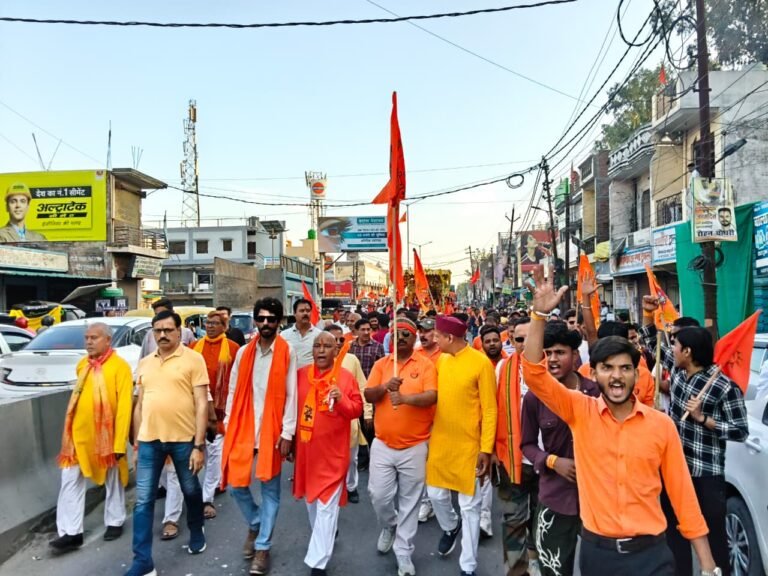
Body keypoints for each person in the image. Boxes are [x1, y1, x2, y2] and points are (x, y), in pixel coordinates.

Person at [522, 265, 720, 576]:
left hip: (653, 555)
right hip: (597, 555)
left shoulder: (661, 425)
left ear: (635, 373)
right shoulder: (579, 411)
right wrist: (538, 316)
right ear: (593, 372)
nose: (616, 376)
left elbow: (683, 497)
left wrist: (708, 565)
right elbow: (534, 375)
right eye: (607, 368)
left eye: (625, 368)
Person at [640, 297, 748, 576]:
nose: (672, 347)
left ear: (687, 351)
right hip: (675, 471)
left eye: (676, 344)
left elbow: (740, 430)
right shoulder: (677, 372)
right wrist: (649, 316)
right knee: (675, 535)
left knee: (713, 540)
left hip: (706, 475)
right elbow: (654, 348)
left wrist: (704, 419)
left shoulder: (724, 386)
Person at [126, 310, 210, 576]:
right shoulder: (146, 363)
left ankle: (196, 529)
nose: (162, 335)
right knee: (143, 501)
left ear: (178, 331)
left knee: (190, 489)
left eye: (167, 330)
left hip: (183, 440)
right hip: (150, 441)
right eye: (157, 330)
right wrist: (137, 444)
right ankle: (143, 561)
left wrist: (199, 446)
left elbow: (200, 404)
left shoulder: (194, 360)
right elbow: (139, 406)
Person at [221, 297, 297, 575]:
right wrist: (229, 420)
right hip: (243, 426)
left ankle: (262, 546)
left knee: (270, 491)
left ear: (279, 322)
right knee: (234, 484)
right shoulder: (244, 353)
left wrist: (288, 432)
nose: (266, 323)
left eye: (271, 319)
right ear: (255, 320)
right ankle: (256, 523)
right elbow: (232, 389)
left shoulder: (287, 352)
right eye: (261, 318)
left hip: (273, 430)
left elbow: (292, 395)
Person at [521, 321, 600, 576]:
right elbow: (527, 445)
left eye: (560, 352)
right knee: (554, 571)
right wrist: (553, 462)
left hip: (598, 499)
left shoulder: (598, 392)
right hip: (556, 498)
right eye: (547, 353)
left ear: (575, 355)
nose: (553, 359)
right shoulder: (535, 397)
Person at [50, 323, 133, 552]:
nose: (88, 342)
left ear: (107, 340)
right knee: (69, 481)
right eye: (86, 338)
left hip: (107, 439)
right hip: (77, 438)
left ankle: (115, 521)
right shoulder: (82, 366)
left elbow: (125, 406)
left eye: (94, 337)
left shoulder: (120, 367)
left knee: (113, 480)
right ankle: (70, 532)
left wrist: (118, 443)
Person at [365, 318, 437, 576]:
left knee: (410, 502)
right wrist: (386, 386)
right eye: (396, 334)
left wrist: (405, 398)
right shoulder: (382, 364)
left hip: (415, 446)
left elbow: (432, 396)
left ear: (414, 336)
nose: (401, 338)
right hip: (383, 444)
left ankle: (404, 552)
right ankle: (389, 524)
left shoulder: (425, 365)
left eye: (406, 333)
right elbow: (368, 395)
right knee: (378, 495)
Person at [426, 315, 497, 576]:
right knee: (435, 495)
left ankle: (468, 566)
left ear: (449, 338)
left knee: (470, 507)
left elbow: (490, 410)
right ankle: (450, 525)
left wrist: (485, 449)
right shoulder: (441, 361)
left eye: (437, 335)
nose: (434, 339)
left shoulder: (481, 363)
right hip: (441, 441)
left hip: (470, 446)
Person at [293, 332, 363, 575]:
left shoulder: (344, 378)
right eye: (317, 346)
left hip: (334, 454)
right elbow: (290, 411)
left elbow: (356, 410)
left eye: (327, 346)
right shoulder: (300, 376)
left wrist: (341, 399)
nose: (321, 350)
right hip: (306, 454)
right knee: (312, 504)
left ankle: (317, 562)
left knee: (325, 506)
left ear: (336, 352)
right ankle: (325, 536)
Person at [495, 316, 542, 576]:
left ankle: (536, 558)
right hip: (512, 460)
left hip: (547, 461)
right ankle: (516, 570)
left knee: (541, 518)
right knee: (513, 520)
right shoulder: (503, 368)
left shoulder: (552, 369)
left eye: (531, 338)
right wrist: (489, 451)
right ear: (512, 340)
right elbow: (492, 410)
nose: (525, 344)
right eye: (519, 339)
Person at [189, 310, 240, 520]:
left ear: (224, 327)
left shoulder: (233, 349)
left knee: (215, 457)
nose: (210, 326)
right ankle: (197, 492)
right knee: (195, 454)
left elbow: (237, 379)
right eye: (208, 323)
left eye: (215, 323)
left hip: (221, 412)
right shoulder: (194, 348)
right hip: (195, 409)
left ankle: (206, 498)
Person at [325, 324, 372, 504]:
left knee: (350, 458)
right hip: (326, 420)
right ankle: (333, 487)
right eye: (332, 339)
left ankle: (351, 487)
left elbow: (362, 386)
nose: (337, 343)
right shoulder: (319, 360)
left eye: (340, 339)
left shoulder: (351, 360)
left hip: (348, 419)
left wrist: (367, 413)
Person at [279, 299, 323, 369]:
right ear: (294, 313)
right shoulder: (284, 335)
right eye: (302, 311)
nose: (305, 313)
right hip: (290, 377)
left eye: (308, 311)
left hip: (311, 378)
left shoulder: (320, 335)